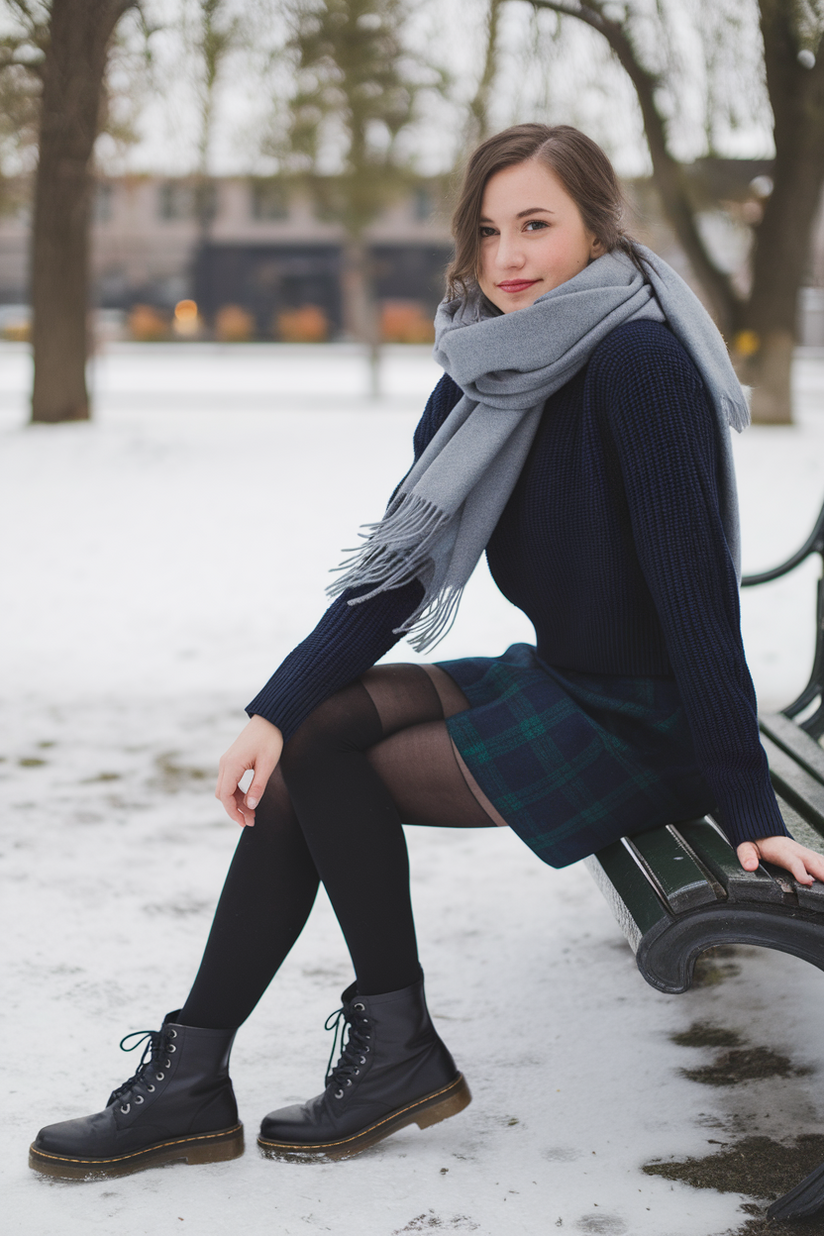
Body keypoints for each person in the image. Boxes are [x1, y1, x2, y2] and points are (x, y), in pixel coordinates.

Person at [29, 122, 824, 1181]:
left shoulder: (637, 360)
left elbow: (695, 604)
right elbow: (397, 573)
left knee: (327, 767)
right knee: (305, 734)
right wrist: (268, 708)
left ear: (594, 228)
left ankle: (335, 1055)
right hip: (563, 678)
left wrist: (748, 811)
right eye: (487, 229)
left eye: (536, 225)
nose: (506, 257)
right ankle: (211, 1071)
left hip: (648, 721)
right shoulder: (484, 370)